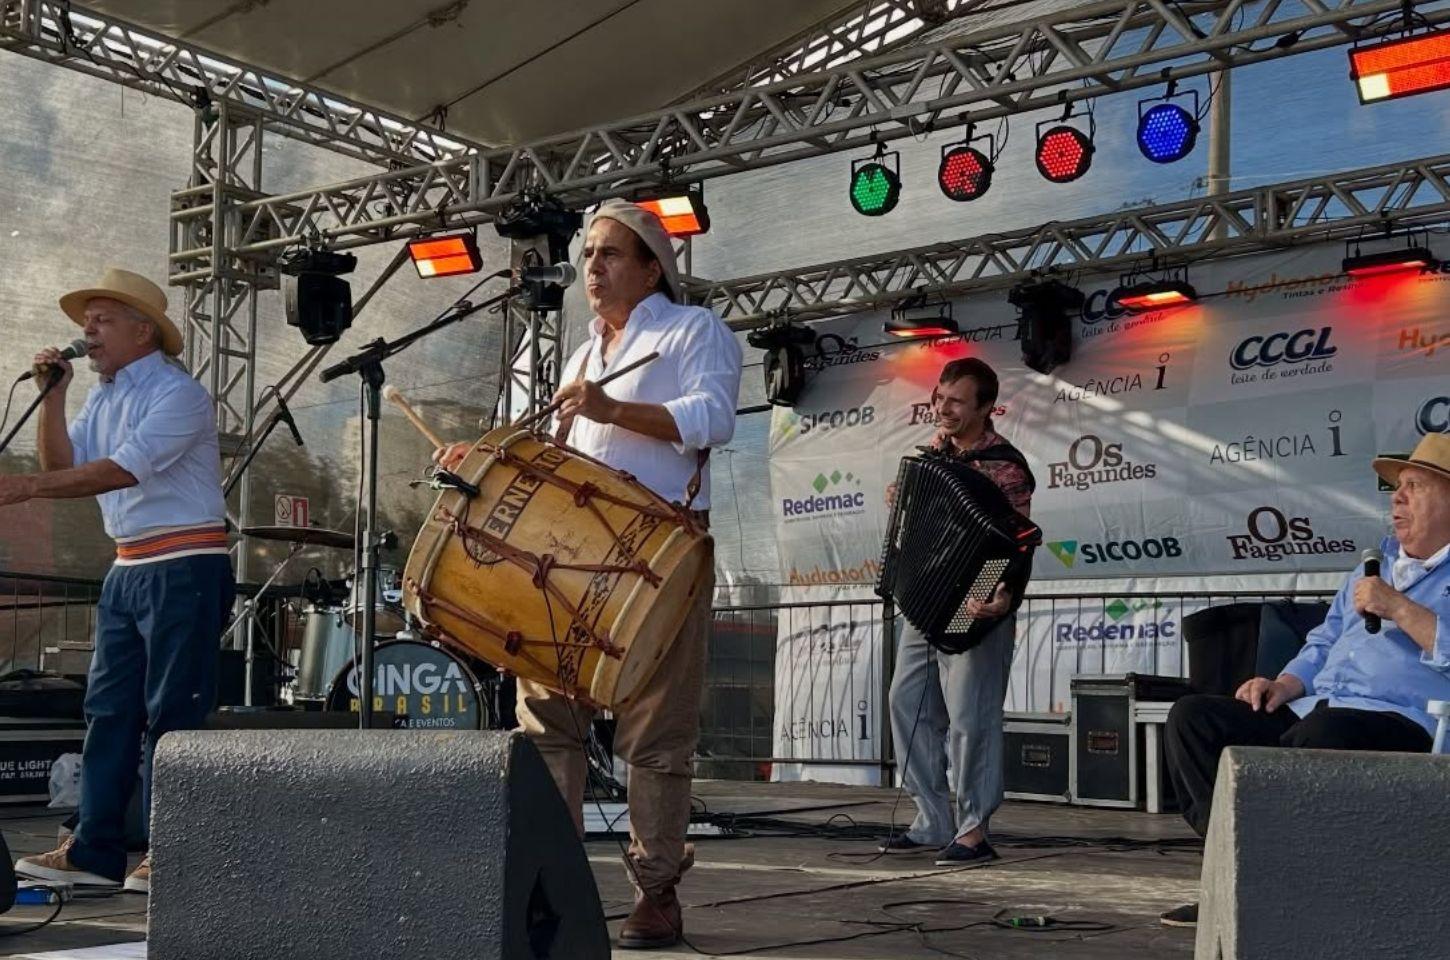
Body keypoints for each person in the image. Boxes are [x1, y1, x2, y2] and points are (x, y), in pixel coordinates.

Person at [436, 200, 742, 948]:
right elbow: (533, 448)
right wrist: (473, 460)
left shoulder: (691, 331)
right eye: (588, 256)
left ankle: (658, 891)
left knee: (655, 737)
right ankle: (556, 880)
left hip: (658, 558)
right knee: (547, 727)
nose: (593, 268)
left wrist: (615, 409)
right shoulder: (577, 355)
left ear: (651, 267)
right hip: (563, 561)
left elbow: (714, 417)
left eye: (610, 254)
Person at [1, 268, 233, 895]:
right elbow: (61, 465)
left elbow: (119, 471)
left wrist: (23, 489)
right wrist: (54, 395)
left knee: (171, 713)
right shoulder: (102, 395)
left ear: (143, 330)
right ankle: (94, 850)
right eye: (87, 321)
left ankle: (173, 851)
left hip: (184, 561)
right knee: (108, 710)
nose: (88, 331)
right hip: (128, 565)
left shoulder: (176, 393)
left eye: (101, 320)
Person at [1158, 431, 1450, 928]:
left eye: (1415, 487)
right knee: (1196, 718)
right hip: (1314, 710)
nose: (1397, 499)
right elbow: (1322, 639)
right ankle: (1240, 879)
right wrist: (1283, 684)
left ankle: (1290, 889)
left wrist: (1399, 607)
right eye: (1396, 487)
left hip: (1402, 722)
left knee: (1323, 737)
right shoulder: (1372, 563)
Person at [881, 357, 1034, 864]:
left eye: (955, 401)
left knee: (971, 717)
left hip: (977, 603)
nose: (942, 409)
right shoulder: (930, 457)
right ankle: (931, 819)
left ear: (987, 408)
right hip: (925, 602)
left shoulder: (1005, 468)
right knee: (907, 703)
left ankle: (974, 831)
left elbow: (1017, 541)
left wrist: (1003, 593)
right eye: (938, 397)